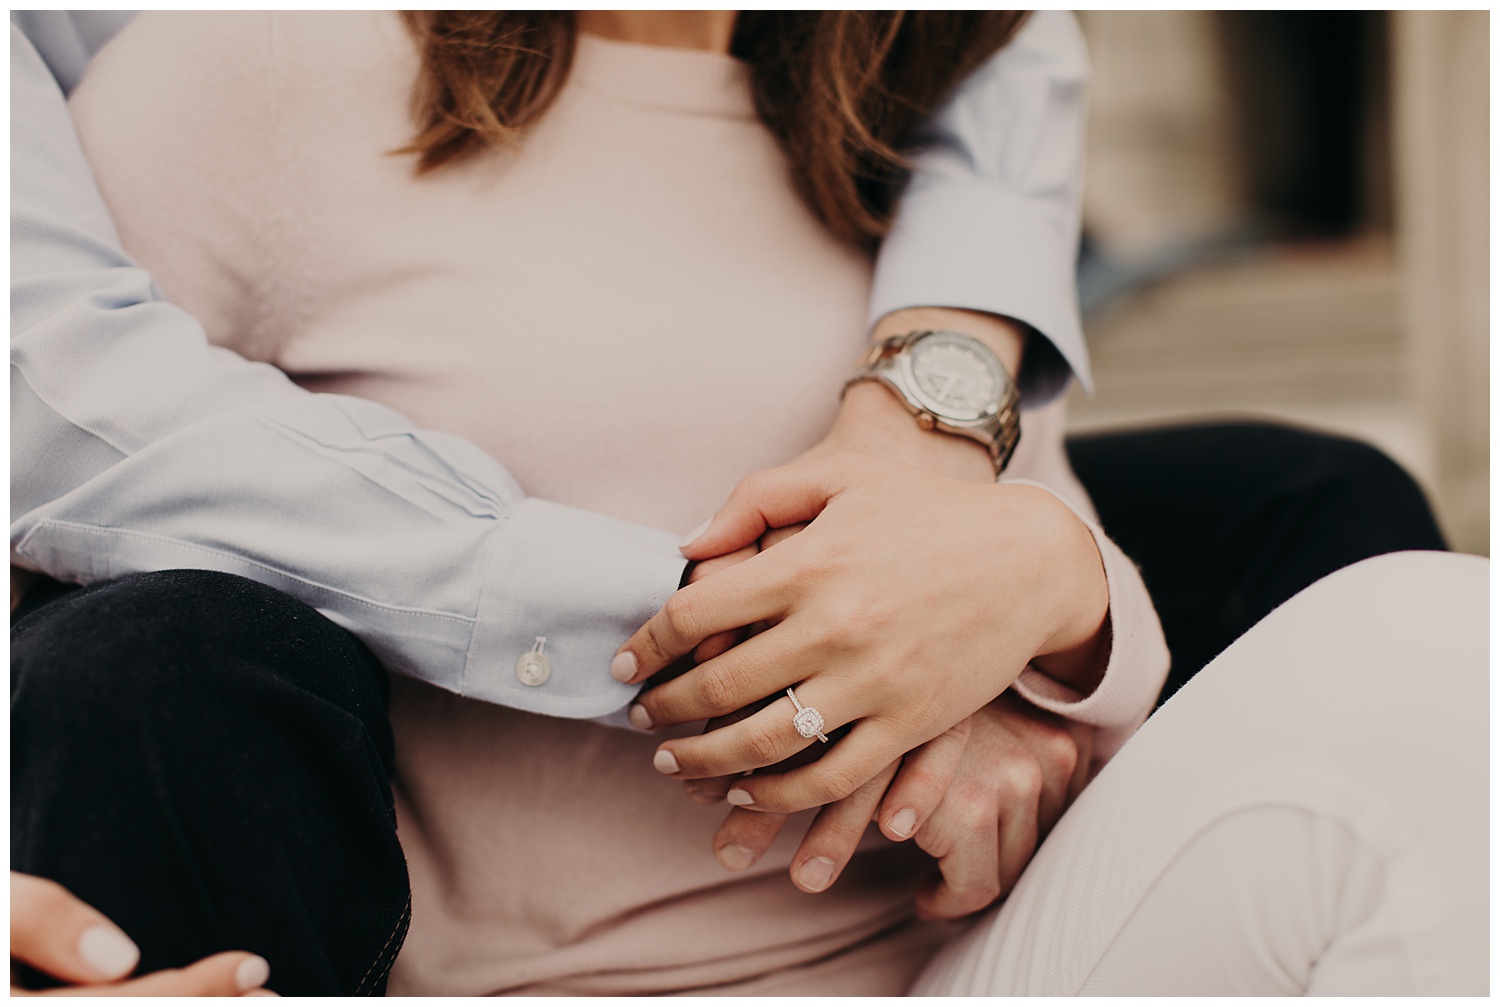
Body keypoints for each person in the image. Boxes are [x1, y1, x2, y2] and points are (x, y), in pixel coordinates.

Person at [11, 10, 1475, 996]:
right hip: (550, 979)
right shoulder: (246, 68)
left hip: (975, 960)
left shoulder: (920, 95)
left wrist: (1048, 600)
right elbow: (76, 547)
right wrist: (792, 652)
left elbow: (1032, 533)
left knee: (1441, 645)